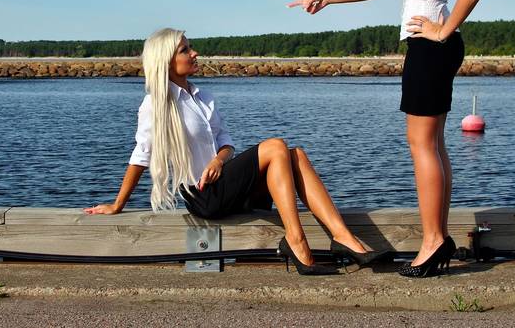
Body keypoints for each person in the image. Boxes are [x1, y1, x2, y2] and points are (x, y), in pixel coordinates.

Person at [288, 0, 485, 278]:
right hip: (426, 47)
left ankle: (433, 242)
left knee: (422, 145)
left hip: (432, 46)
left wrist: (442, 30)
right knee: (432, 145)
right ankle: (437, 238)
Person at [85, 28, 390, 275]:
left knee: (295, 154)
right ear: (166, 60)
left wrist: (219, 160)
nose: (195, 53)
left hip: (225, 185)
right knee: (276, 146)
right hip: (203, 196)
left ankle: (343, 237)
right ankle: (297, 241)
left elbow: (226, 143)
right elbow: (141, 155)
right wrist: (118, 204)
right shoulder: (156, 104)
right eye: (185, 50)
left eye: (191, 48)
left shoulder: (203, 97)